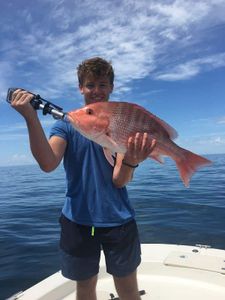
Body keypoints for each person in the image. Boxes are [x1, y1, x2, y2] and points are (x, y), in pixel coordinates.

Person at [11, 57, 156, 300]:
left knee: (128, 287)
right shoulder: (66, 126)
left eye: (102, 85)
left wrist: (131, 158)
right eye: (90, 85)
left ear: (111, 88)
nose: (96, 91)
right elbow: (48, 163)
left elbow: (119, 180)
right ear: (81, 88)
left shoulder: (122, 126)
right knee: (86, 286)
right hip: (77, 222)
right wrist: (30, 117)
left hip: (118, 220)